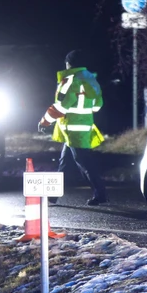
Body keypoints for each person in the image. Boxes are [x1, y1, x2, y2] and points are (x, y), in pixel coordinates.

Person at [38, 50, 107, 205]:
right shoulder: (92, 80)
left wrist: (45, 121)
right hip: (84, 126)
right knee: (65, 161)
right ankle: (54, 195)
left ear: (69, 63)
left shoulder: (70, 81)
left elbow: (61, 106)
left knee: (84, 162)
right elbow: (97, 106)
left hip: (72, 128)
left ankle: (101, 193)